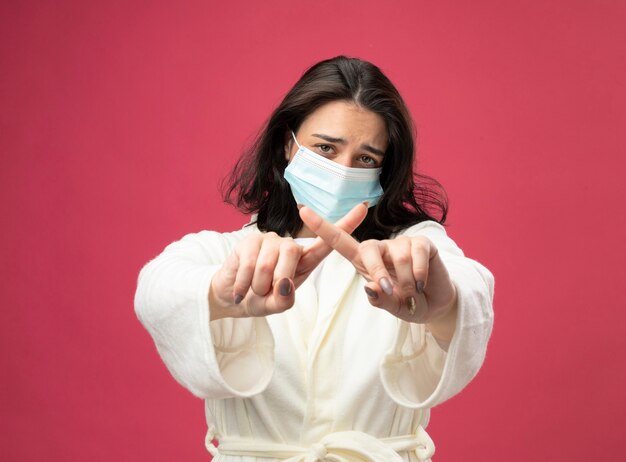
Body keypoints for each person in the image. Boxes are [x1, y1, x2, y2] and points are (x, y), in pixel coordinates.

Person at [134, 56, 494, 461]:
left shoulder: (408, 251)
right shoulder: (229, 251)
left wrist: (442, 303)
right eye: (325, 148)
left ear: (382, 171)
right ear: (289, 146)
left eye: (365, 159)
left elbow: (473, 286)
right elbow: (155, 288)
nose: (342, 171)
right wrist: (224, 291)